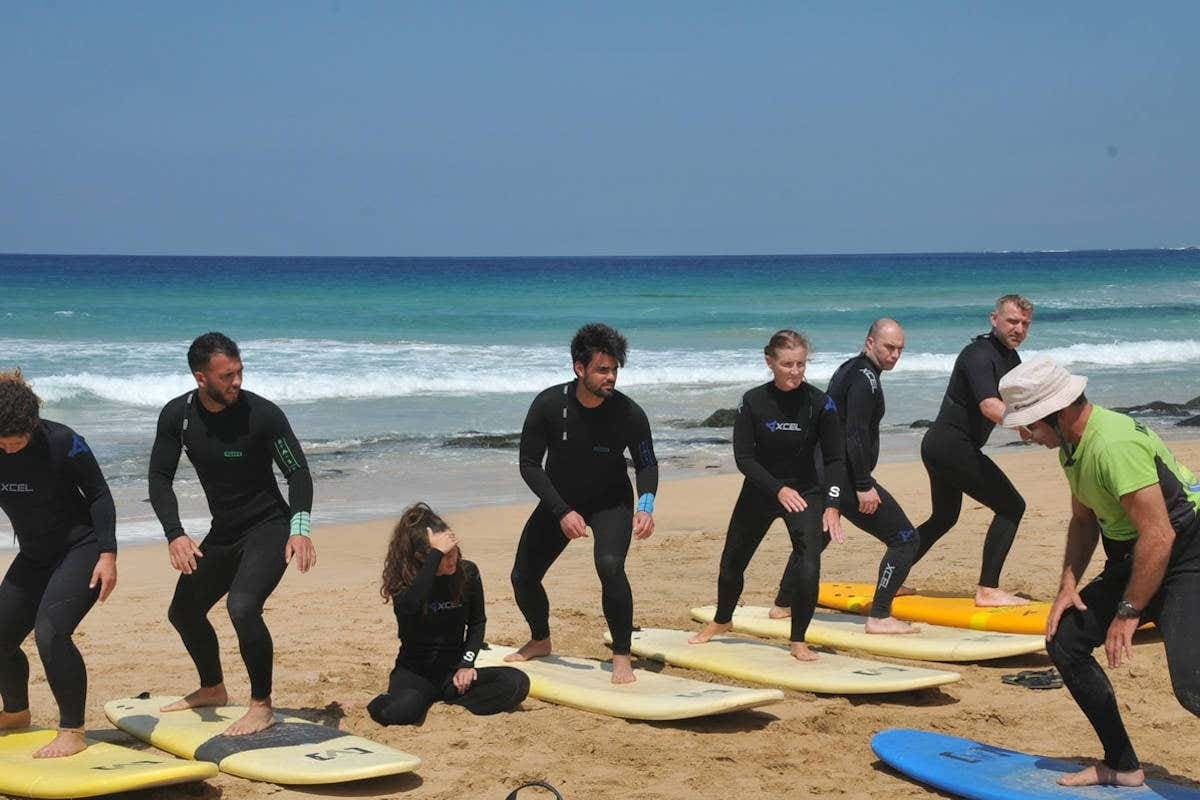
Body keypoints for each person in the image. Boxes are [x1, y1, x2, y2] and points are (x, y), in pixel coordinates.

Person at [999, 358, 1200, 788]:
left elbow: (1160, 535)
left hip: (1187, 555)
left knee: (1192, 686)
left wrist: (1128, 612)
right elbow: (1084, 518)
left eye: (1031, 424)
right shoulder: (1073, 446)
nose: (1026, 435)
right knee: (1065, 640)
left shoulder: (1112, 445)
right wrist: (1068, 584)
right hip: (1137, 556)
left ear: (1059, 412)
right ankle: (1122, 765)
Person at [148, 332, 315, 736]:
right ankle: (213, 688)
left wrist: (299, 529)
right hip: (224, 531)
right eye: (226, 376)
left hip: (269, 526)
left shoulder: (262, 414)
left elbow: (297, 472)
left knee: (242, 606)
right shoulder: (178, 416)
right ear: (201, 377)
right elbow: (159, 477)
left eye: (239, 371)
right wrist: (175, 534)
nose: (237, 381)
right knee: (184, 612)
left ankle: (261, 706)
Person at [506, 323, 658, 684]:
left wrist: (646, 505)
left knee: (610, 566)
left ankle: (621, 655)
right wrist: (561, 511)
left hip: (611, 501)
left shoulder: (629, 413)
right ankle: (540, 639)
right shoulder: (549, 405)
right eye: (603, 370)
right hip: (562, 501)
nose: (611, 377)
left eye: (615, 369)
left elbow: (647, 463)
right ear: (580, 368)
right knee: (523, 577)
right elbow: (529, 464)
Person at [689, 330, 844, 661]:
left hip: (805, 491)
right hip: (761, 489)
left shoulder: (821, 403)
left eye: (801, 364)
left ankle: (798, 639)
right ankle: (722, 619)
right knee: (732, 562)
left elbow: (835, 459)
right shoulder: (753, 401)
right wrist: (777, 488)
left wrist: (832, 505)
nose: (795, 371)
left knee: (809, 564)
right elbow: (744, 458)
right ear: (769, 362)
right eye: (787, 364)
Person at [0, 370, 117, 758]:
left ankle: (72, 730)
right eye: (2, 442)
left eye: (16, 441)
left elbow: (99, 495)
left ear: (32, 425)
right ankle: (16, 712)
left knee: (51, 632)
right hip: (34, 554)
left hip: (80, 548)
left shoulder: (64, 441)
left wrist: (108, 554)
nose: (8, 449)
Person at [912, 294, 1033, 606]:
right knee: (1011, 507)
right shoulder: (978, 354)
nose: (1019, 329)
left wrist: (1032, 425)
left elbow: (1017, 403)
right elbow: (990, 405)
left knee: (943, 518)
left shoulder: (1011, 359)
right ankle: (988, 589)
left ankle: (892, 574)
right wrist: (1024, 422)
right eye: (1012, 321)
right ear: (994, 319)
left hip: (942, 447)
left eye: (1025, 323)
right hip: (952, 446)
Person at [368, 503, 529, 726]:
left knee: (516, 682)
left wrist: (466, 664)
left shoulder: (467, 572)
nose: (454, 558)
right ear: (422, 557)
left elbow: (477, 622)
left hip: (453, 674)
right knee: (400, 713)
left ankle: (446, 697)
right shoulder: (404, 585)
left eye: (454, 550)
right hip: (415, 675)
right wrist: (436, 555)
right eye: (446, 554)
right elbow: (411, 606)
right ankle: (387, 700)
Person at [823, 319, 920, 634]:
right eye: (889, 347)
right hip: (847, 477)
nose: (895, 355)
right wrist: (863, 485)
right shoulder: (866, 379)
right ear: (870, 343)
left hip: (826, 472)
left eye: (900, 349)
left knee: (816, 539)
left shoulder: (849, 369)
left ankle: (783, 604)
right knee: (905, 539)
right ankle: (879, 616)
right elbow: (853, 433)